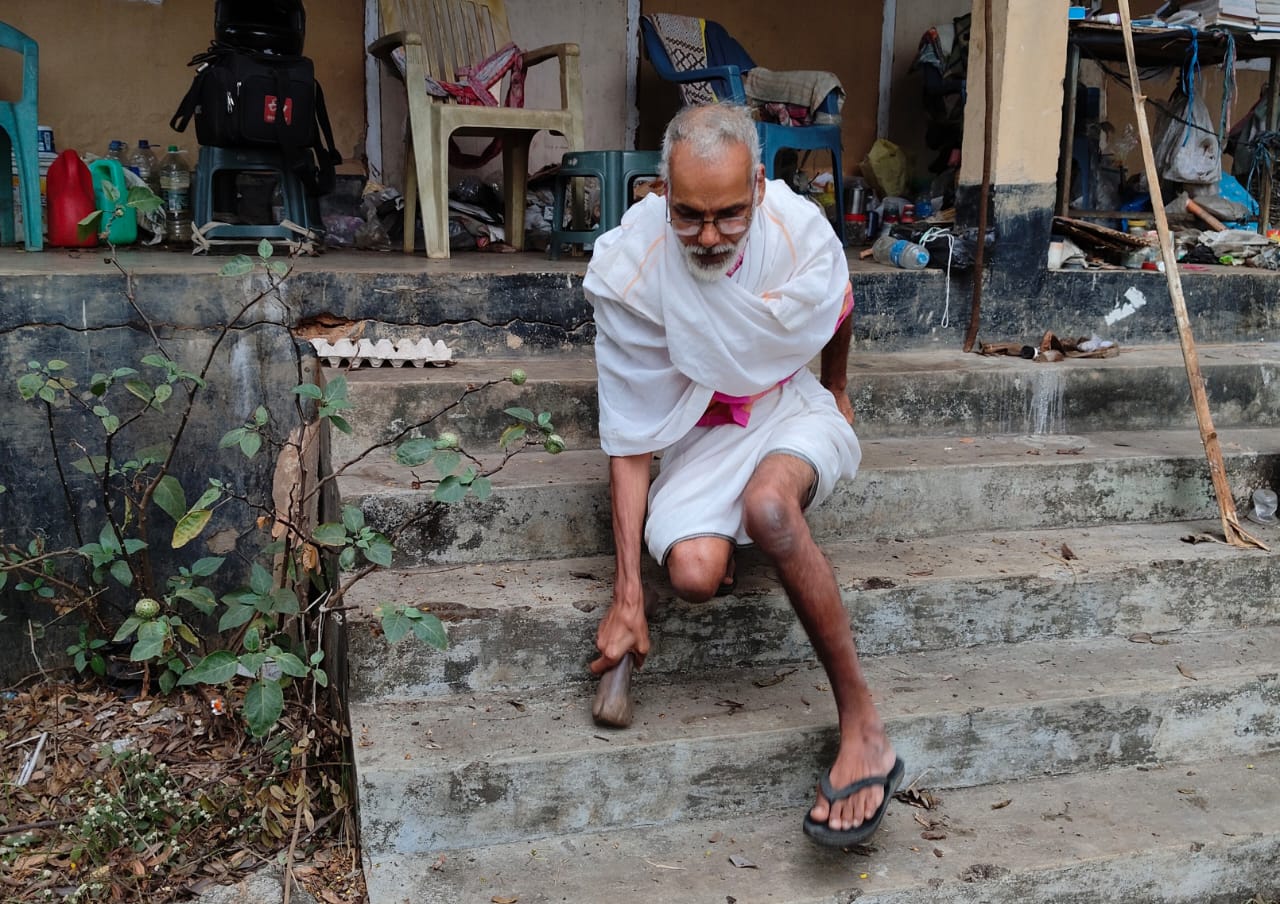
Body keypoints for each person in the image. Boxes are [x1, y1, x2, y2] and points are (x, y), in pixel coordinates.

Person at [582, 103, 902, 848]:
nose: (709, 236)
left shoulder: (797, 230)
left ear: (759, 186)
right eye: (689, 215)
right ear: (662, 191)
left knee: (769, 510)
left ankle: (863, 726)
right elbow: (630, 439)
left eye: (729, 214)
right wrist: (628, 594)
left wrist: (841, 388)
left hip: (786, 407)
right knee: (691, 574)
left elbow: (838, 304)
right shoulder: (631, 265)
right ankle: (731, 535)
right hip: (699, 432)